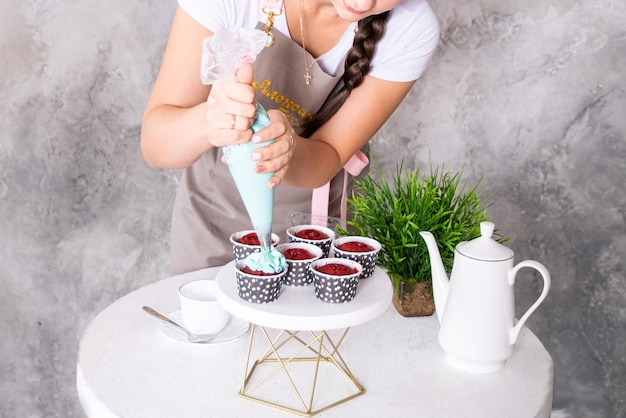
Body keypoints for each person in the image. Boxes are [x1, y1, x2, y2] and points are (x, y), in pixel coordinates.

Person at [141, 0, 439, 275]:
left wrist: (289, 150)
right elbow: (156, 145)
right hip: (211, 223)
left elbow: (331, 153)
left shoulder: (410, 26)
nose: (362, 3)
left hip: (315, 235)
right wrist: (209, 119)